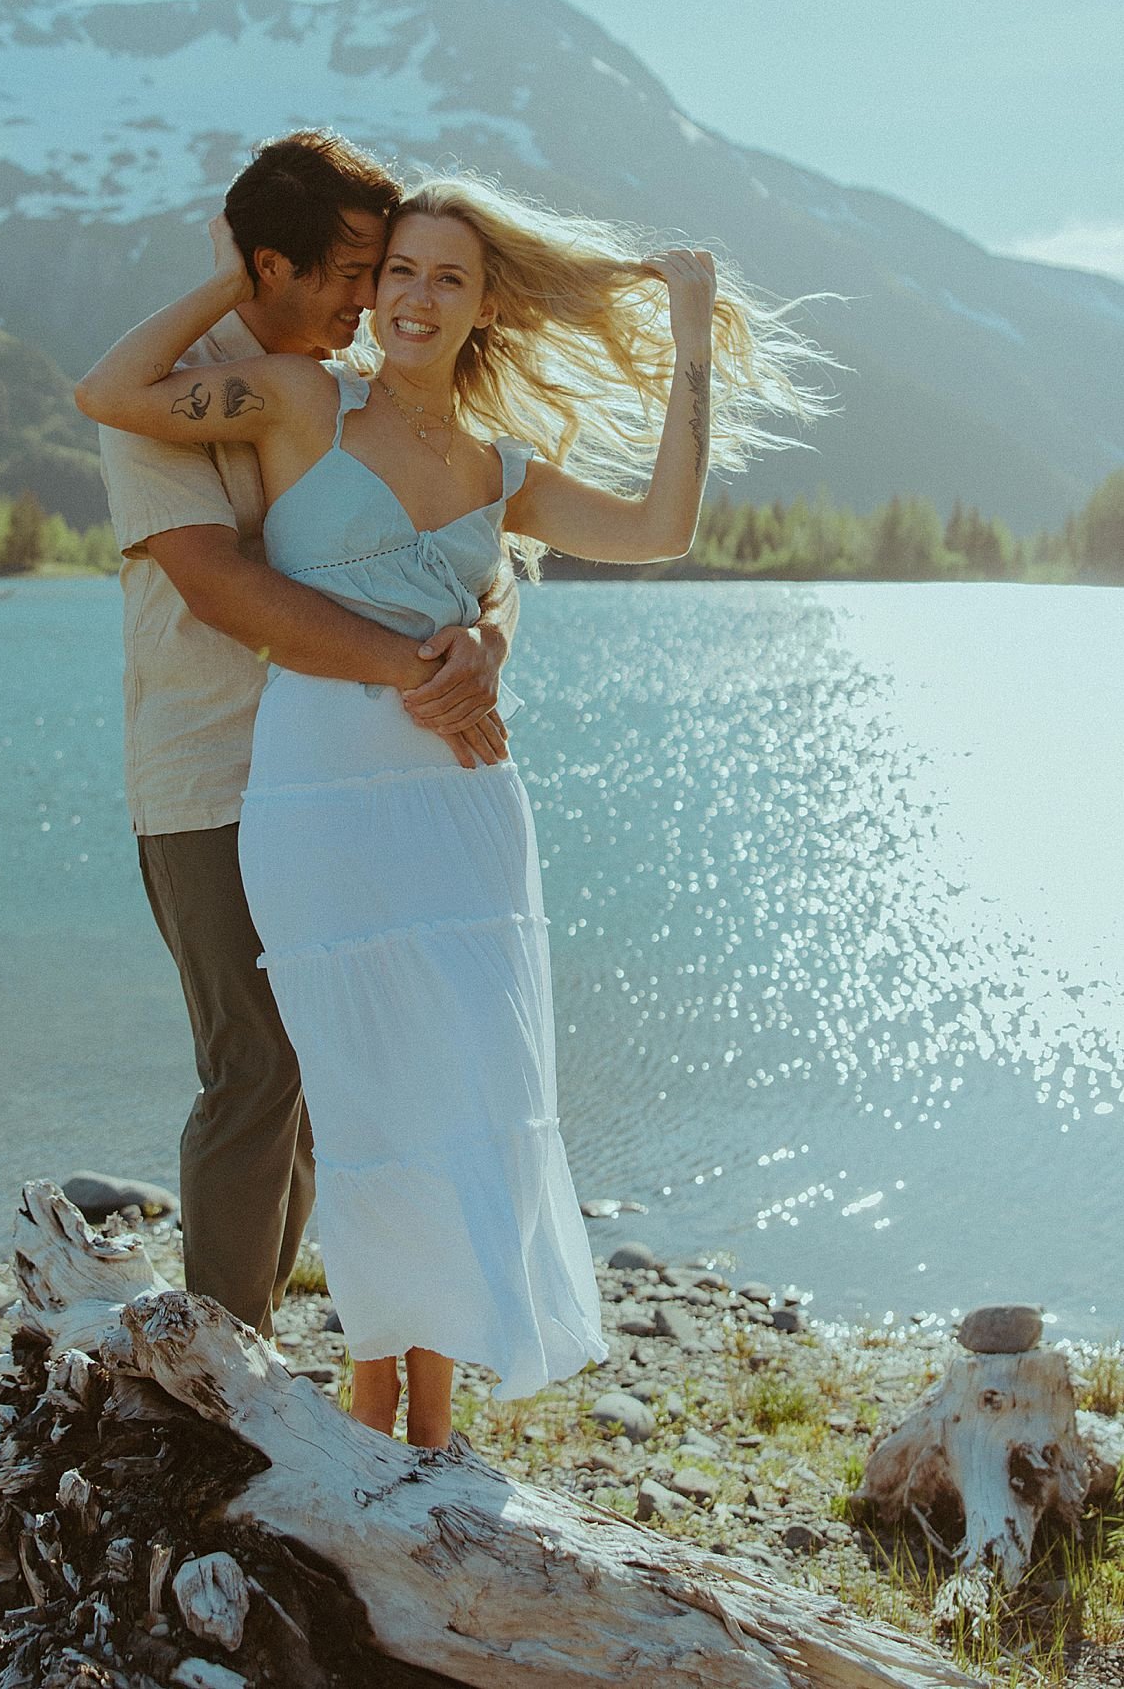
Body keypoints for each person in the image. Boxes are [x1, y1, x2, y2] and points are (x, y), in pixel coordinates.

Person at [78, 166, 833, 1446]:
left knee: (455, 1087)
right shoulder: (301, 399)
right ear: (365, 290)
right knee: (346, 1090)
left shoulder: (502, 466)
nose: (413, 298)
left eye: (446, 277)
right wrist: (236, 262)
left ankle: (418, 1424)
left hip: (463, 798)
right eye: (394, 273)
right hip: (316, 786)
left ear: (488, 307)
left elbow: (661, 530)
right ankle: (284, 1407)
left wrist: (692, 339)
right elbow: (108, 396)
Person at [79, 133, 518, 1348]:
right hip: (210, 776)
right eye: (353, 271)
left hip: (344, 775)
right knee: (255, 1068)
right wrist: (410, 670)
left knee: (328, 1064)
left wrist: (482, 639)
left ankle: (261, 1366)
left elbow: (460, 538)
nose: (373, 300)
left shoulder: (354, 393)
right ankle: (221, 1375)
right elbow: (217, 583)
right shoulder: (181, 390)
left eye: (387, 273)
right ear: (271, 265)